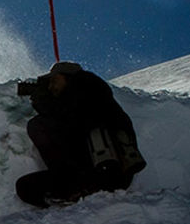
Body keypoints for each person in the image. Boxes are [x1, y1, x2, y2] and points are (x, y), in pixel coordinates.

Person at [15, 61, 146, 207]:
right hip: (90, 174)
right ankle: (70, 197)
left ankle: (77, 190)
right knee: (25, 187)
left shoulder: (90, 92)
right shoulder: (89, 97)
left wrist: (42, 100)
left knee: (37, 125)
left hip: (106, 171)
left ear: (68, 77)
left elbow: (72, 122)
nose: (51, 87)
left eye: (54, 81)